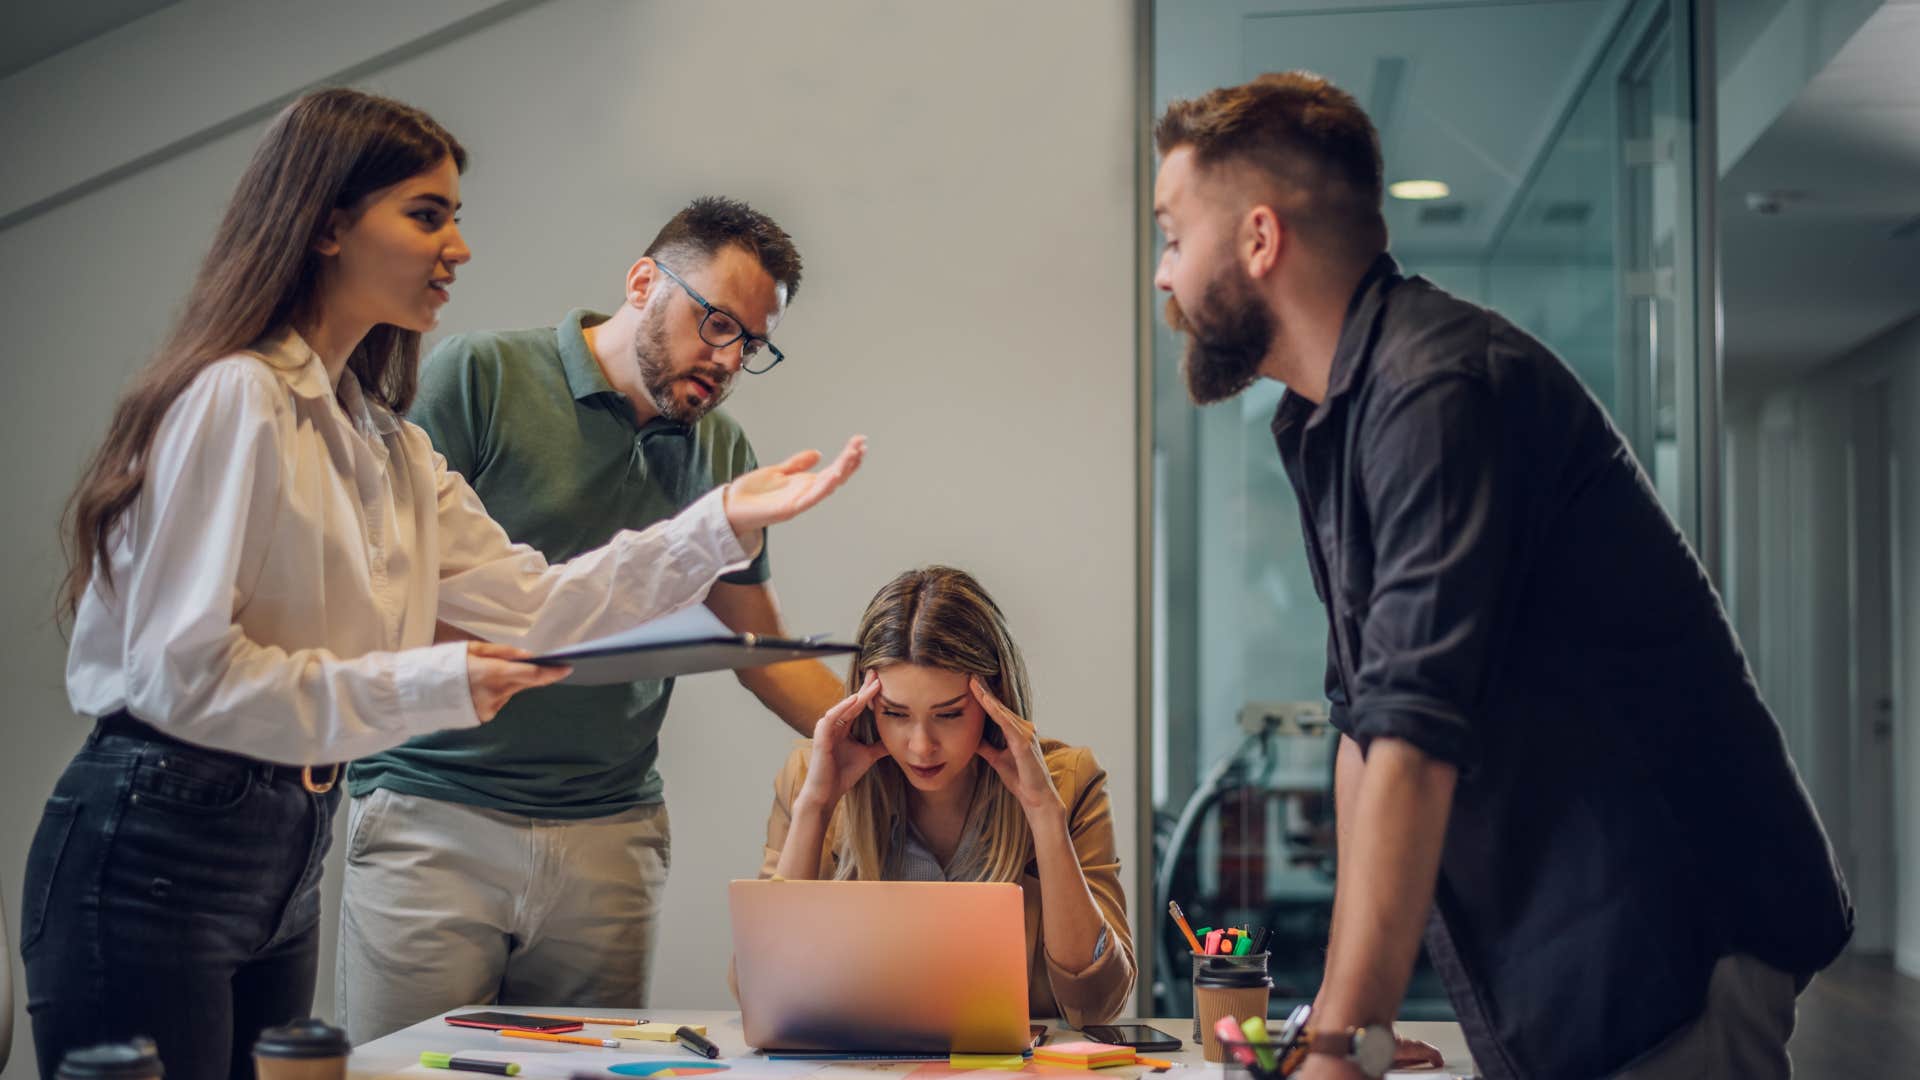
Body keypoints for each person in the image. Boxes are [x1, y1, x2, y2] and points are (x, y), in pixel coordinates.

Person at [21, 87, 863, 1080]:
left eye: (455, 218)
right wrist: (435, 685)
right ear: (326, 223)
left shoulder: (384, 440)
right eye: (427, 216)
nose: (458, 248)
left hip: (287, 845)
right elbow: (185, 683)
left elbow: (539, 602)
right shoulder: (236, 398)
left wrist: (722, 522)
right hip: (159, 834)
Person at [1150, 72, 1850, 1079]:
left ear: (1260, 240)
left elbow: (1413, 733)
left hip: (1671, 949)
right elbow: (1365, 730)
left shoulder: (1438, 389)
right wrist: (1352, 1028)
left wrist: (1347, 1042)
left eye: (1174, 236)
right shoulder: (1331, 420)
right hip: (1572, 964)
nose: (1165, 277)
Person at [337, 196, 848, 1041]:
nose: (726, 360)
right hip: (436, 811)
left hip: (609, 832)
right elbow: (389, 592)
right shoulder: (478, 378)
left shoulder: (720, 451)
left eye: (751, 345)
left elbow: (755, 644)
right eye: (715, 323)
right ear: (644, 282)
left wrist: (880, 732)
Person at [757, 566, 1134, 1028]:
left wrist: (1044, 815)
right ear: (866, 703)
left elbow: (1097, 1003)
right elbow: (764, 994)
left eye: (949, 714)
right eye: (895, 713)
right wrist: (815, 808)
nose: (920, 746)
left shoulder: (1071, 783)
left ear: (995, 699)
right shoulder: (810, 779)